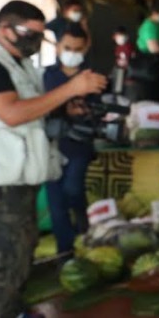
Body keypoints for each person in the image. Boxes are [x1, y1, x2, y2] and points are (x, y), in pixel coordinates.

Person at [0, 1, 106, 318]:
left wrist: (62, 107)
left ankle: (15, 310)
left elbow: (32, 107)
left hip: (20, 173)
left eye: (41, 36)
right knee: (6, 256)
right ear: (4, 29)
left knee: (23, 248)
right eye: (31, 34)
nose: (37, 42)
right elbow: (11, 113)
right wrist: (70, 88)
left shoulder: (20, 64)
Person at [43, 24, 95, 257]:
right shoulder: (45, 76)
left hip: (79, 145)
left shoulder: (93, 78)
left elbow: (102, 110)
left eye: (77, 49)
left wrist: (85, 110)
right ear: (57, 47)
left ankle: (84, 229)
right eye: (67, 47)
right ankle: (65, 252)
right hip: (50, 145)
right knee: (56, 202)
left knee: (73, 189)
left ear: (85, 49)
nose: (71, 52)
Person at [131, 2, 159, 102]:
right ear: (155, 13)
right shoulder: (150, 26)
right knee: (152, 98)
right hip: (148, 66)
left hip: (155, 65)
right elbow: (154, 48)